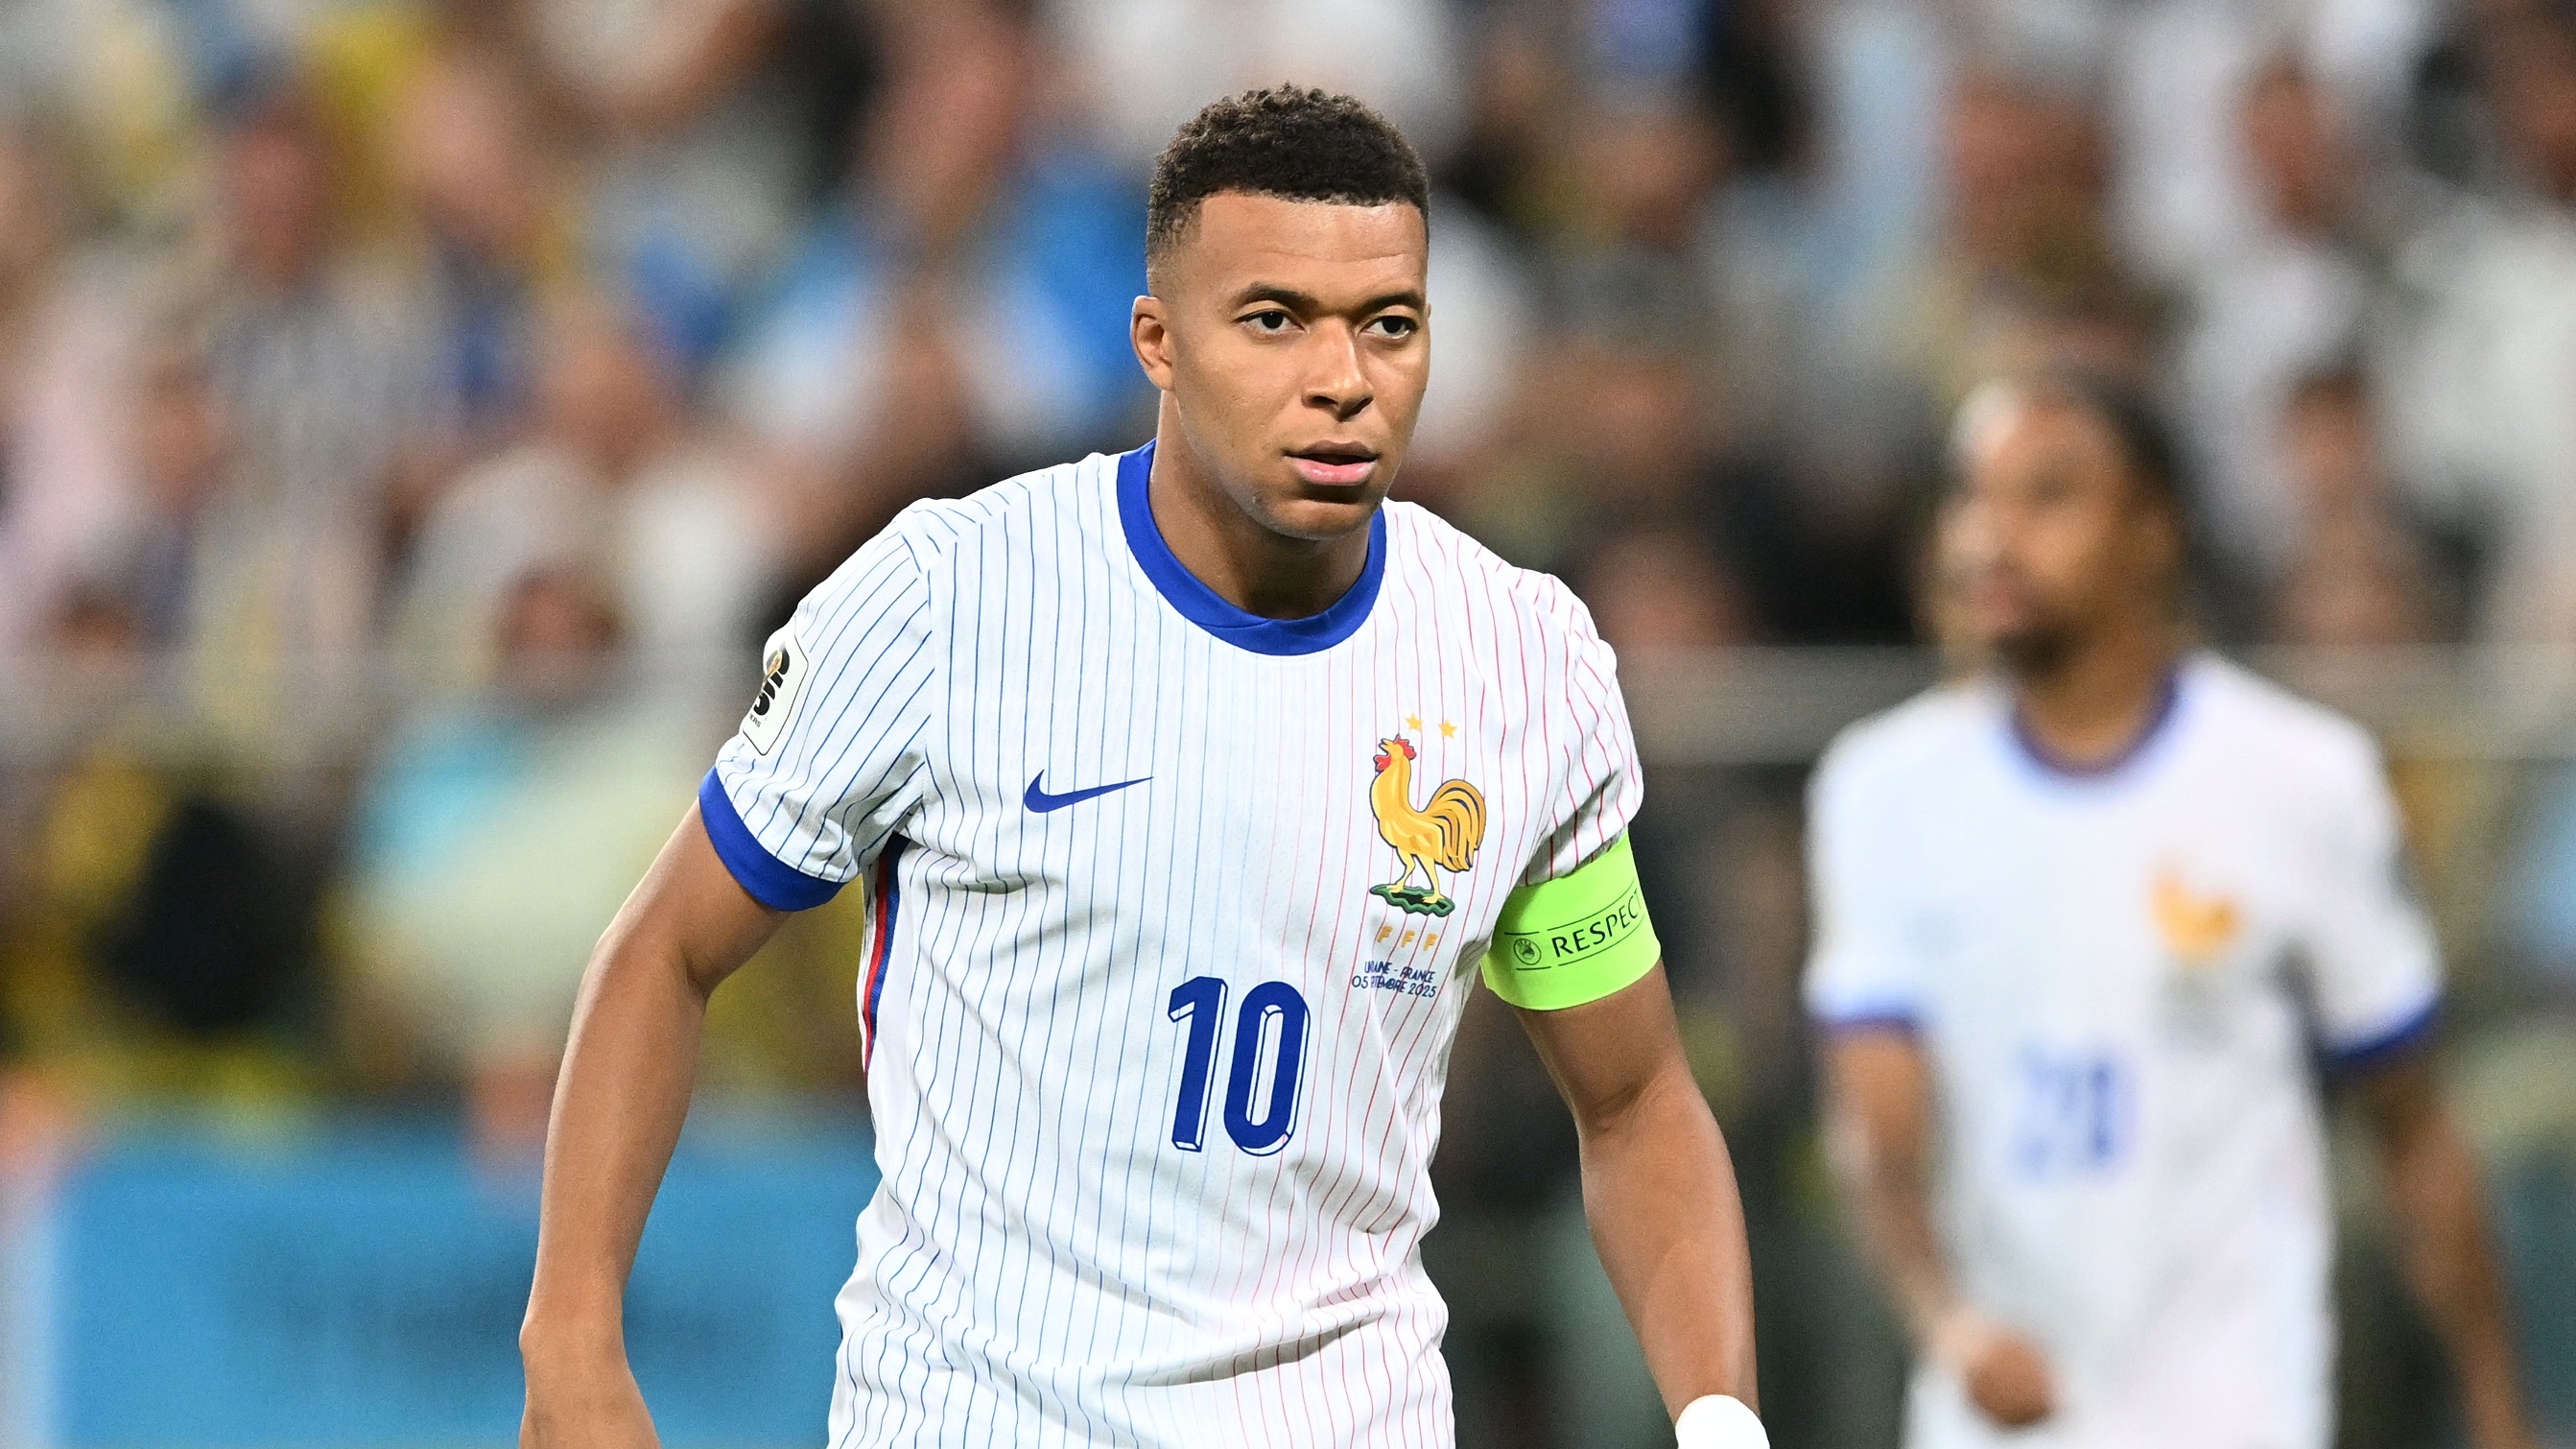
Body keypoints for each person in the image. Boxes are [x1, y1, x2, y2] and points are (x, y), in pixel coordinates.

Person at [518, 87, 1765, 1448]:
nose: (1341, 375)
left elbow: (1635, 1096)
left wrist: (1719, 1421)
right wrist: (571, 1340)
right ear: (1158, 342)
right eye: (1274, 319)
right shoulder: (949, 599)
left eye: (1387, 324)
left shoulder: (1518, 662)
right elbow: (664, 950)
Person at [1807, 373, 2537, 1449]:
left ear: (2154, 531)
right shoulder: (1879, 790)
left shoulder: (2302, 779)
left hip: (2236, 1407)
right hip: (1996, 1416)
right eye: (1972, 496)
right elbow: (1874, 1133)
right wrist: (1946, 1320)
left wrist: (2495, 1408)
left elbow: (2415, 1131)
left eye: (2047, 495)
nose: (1990, 535)